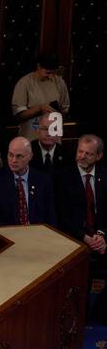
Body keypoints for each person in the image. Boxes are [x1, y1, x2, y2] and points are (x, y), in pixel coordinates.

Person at [54, 135, 106, 321]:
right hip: (74, 238)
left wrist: (101, 235)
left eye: (89, 154)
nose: (82, 156)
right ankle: (78, 316)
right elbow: (62, 216)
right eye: (80, 152)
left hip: (100, 238)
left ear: (98, 156)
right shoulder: (63, 177)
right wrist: (85, 238)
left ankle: (101, 311)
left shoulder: (104, 176)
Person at [0, 137, 54, 226]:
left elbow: (51, 217)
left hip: (37, 236)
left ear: (30, 156)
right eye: (10, 155)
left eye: (19, 156)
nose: (14, 160)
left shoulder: (43, 180)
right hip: (6, 236)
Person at [12, 50, 70, 140]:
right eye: (47, 72)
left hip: (53, 137)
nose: (50, 76)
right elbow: (19, 116)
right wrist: (40, 108)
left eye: (53, 72)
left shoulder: (59, 82)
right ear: (38, 66)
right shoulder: (25, 83)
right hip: (31, 135)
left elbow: (64, 109)